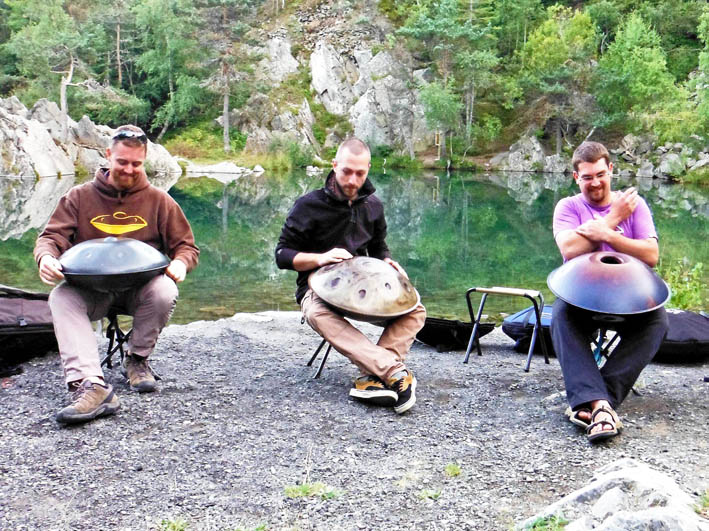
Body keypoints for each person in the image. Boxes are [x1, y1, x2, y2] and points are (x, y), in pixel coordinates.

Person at [34, 125, 199, 425]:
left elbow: (187, 247)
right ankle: (91, 385)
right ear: (108, 155)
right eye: (122, 162)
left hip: (138, 290)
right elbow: (50, 238)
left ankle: (136, 360)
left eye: (136, 163)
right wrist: (46, 257)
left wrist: (181, 263)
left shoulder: (160, 201)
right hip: (92, 289)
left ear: (144, 161)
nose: (129, 169)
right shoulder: (79, 197)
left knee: (165, 289)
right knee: (61, 296)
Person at [275, 137, 426, 414]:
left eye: (360, 173)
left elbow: (379, 247)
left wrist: (389, 263)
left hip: (364, 291)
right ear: (334, 165)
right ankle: (394, 371)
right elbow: (282, 255)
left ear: (368, 168)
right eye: (346, 171)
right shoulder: (308, 205)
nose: (353, 180)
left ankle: (374, 377)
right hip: (318, 291)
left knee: (415, 310)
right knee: (316, 313)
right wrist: (320, 258)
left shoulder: (374, 206)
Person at [551, 141, 668, 442]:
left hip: (630, 302)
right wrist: (613, 221)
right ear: (576, 178)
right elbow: (569, 249)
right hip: (583, 301)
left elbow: (651, 254)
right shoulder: (569, 207)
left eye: (600, 174)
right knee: (561, 315)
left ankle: (594, 400)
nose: (596, 182)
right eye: (587, 177)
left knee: (658, 320)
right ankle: (602, 407)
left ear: (611, 170)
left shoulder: (635, 205)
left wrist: (604, 235)